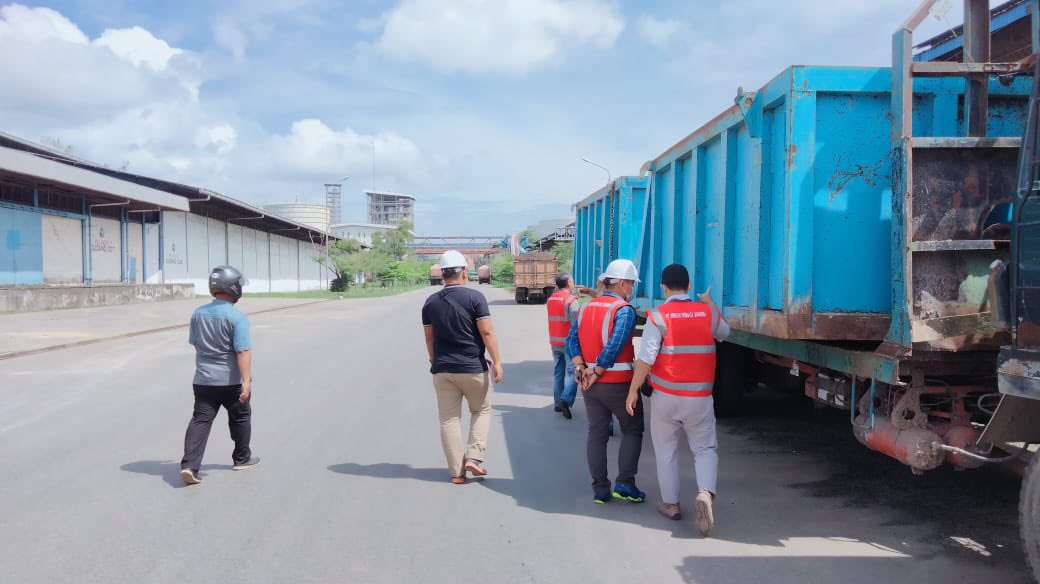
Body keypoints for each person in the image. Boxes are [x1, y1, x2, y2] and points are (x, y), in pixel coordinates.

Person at [625, 264, 730, 536]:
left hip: (666, 397)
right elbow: (725, 333)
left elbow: (646, 358)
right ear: (689, 286)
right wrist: (709, 303)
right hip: (700, 398)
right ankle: (705, 493)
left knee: (666, 451)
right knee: (705, 449)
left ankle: (671, 504)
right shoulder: (706, 313)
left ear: (663, 287)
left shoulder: (658, 316)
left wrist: (633, 390)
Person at [422, 250, 505, 484]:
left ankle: (457, 473)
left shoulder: (430, 302)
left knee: (449, 420)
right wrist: (497, 361)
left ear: (443, 274)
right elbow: (486, 332)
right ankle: (475, 458)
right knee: (480, 411)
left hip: (442, 370)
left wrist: (434, 360)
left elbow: (429, 338)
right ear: (464, 272)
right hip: (472, 368)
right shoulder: (474, 298)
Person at [567, 259, 644, 505]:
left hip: (589, 385)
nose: (632, 289)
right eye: (631, 284)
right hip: (617, 382)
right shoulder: (624, 310)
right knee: (632, 429)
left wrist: (581, 367)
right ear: (621, 284)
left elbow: (571, 340)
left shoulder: (586, 307)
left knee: (597, 432)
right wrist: (598, 370)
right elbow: (615, 344)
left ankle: (600, 489)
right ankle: (625, 484)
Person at [180, 265, 259, 485]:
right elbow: (242, 351)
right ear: (233, 288)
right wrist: (246, 381)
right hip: (231, 382)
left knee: (200, 420)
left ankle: (189, 466)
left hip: (203, 381)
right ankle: (242, 459)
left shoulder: (198, 314)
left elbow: (196, 344)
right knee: (240, 417)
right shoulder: (237, 317)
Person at [546, 273, 580, 419]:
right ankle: (565, 399)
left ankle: (557, 404)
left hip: (555, 342)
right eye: (572, 280)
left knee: (558, 373)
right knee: (575, 373)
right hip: (569, 344)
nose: (574, 283)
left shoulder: (551, 299)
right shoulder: (571, 301)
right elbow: (576, 326)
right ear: (568, 283)